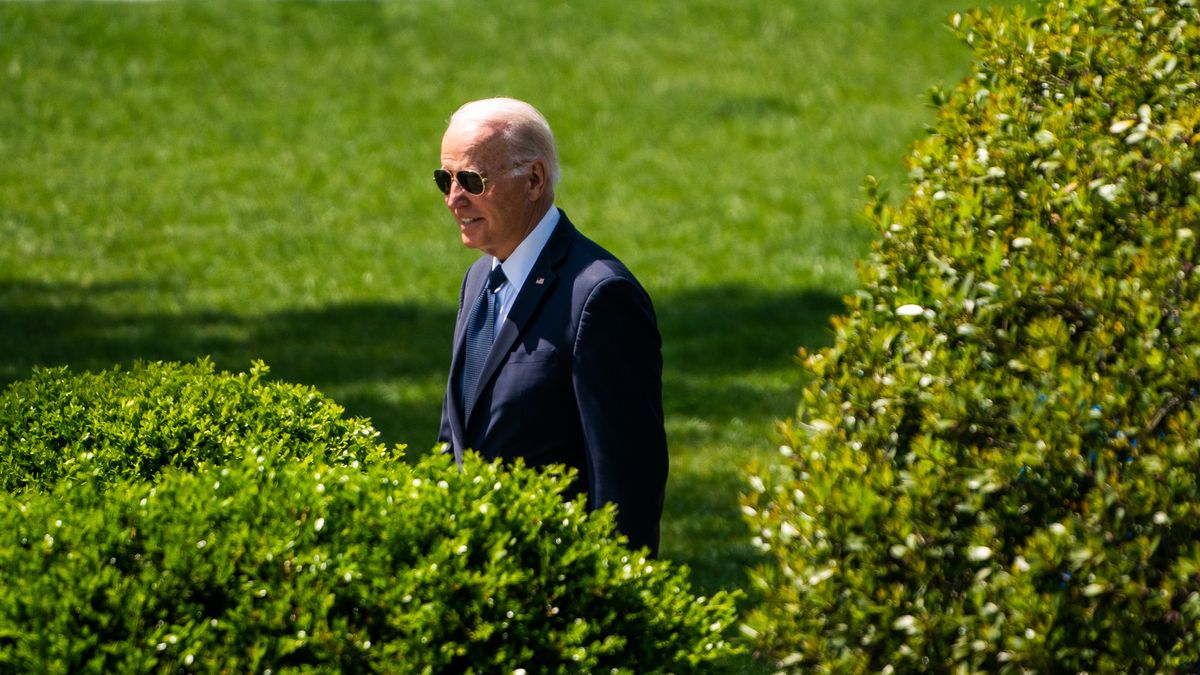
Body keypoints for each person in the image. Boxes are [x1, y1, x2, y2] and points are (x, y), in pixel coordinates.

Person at [435, 97, 668, 556]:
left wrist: (609, 603)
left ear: (534, 180)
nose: (453, 199)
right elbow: (454, 439)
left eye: (472, 181)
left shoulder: (600, 297)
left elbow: (627, 481)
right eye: (445, 179)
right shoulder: (479, 279)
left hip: (555, 594)